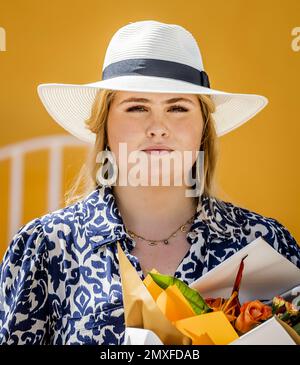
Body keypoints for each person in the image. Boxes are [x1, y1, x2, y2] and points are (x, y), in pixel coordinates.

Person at [0, 20, 299, 345]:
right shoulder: (44, 247)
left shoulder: (268, 242)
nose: (158, 127)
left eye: (178, 107)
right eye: (137, 107)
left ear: (203, 129)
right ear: (105, 126)